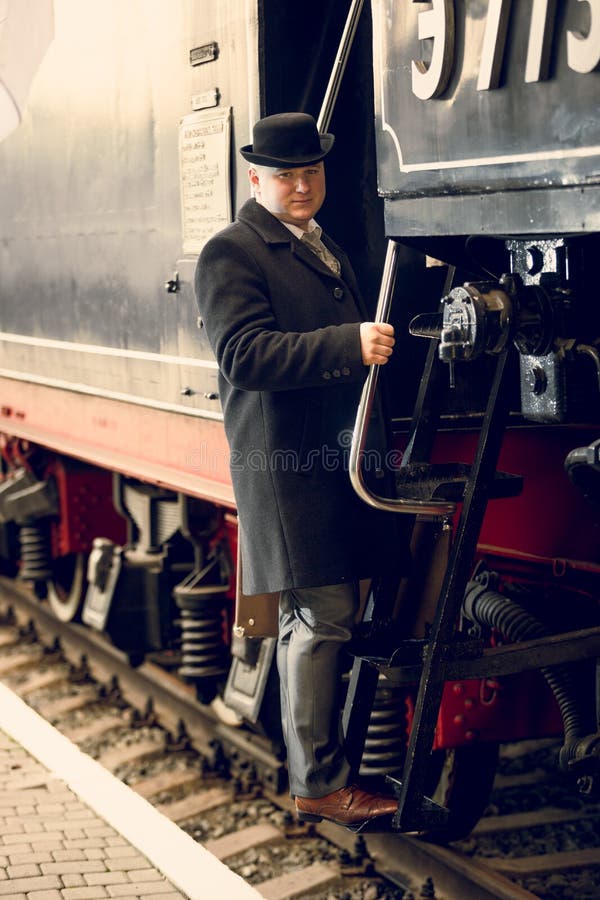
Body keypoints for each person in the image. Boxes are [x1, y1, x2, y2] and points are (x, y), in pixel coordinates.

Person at [195, 112, 399, 831]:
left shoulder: (314, 243)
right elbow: (244, 356)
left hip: (329, 461)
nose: (302, 183)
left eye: (311, 170)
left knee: (318, 618)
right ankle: (318, 783)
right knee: (321, 619)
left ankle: (325, 768)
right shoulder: (233, 251)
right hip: (286, 470)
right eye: (286, 174)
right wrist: (349, 343)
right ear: (256, 178)